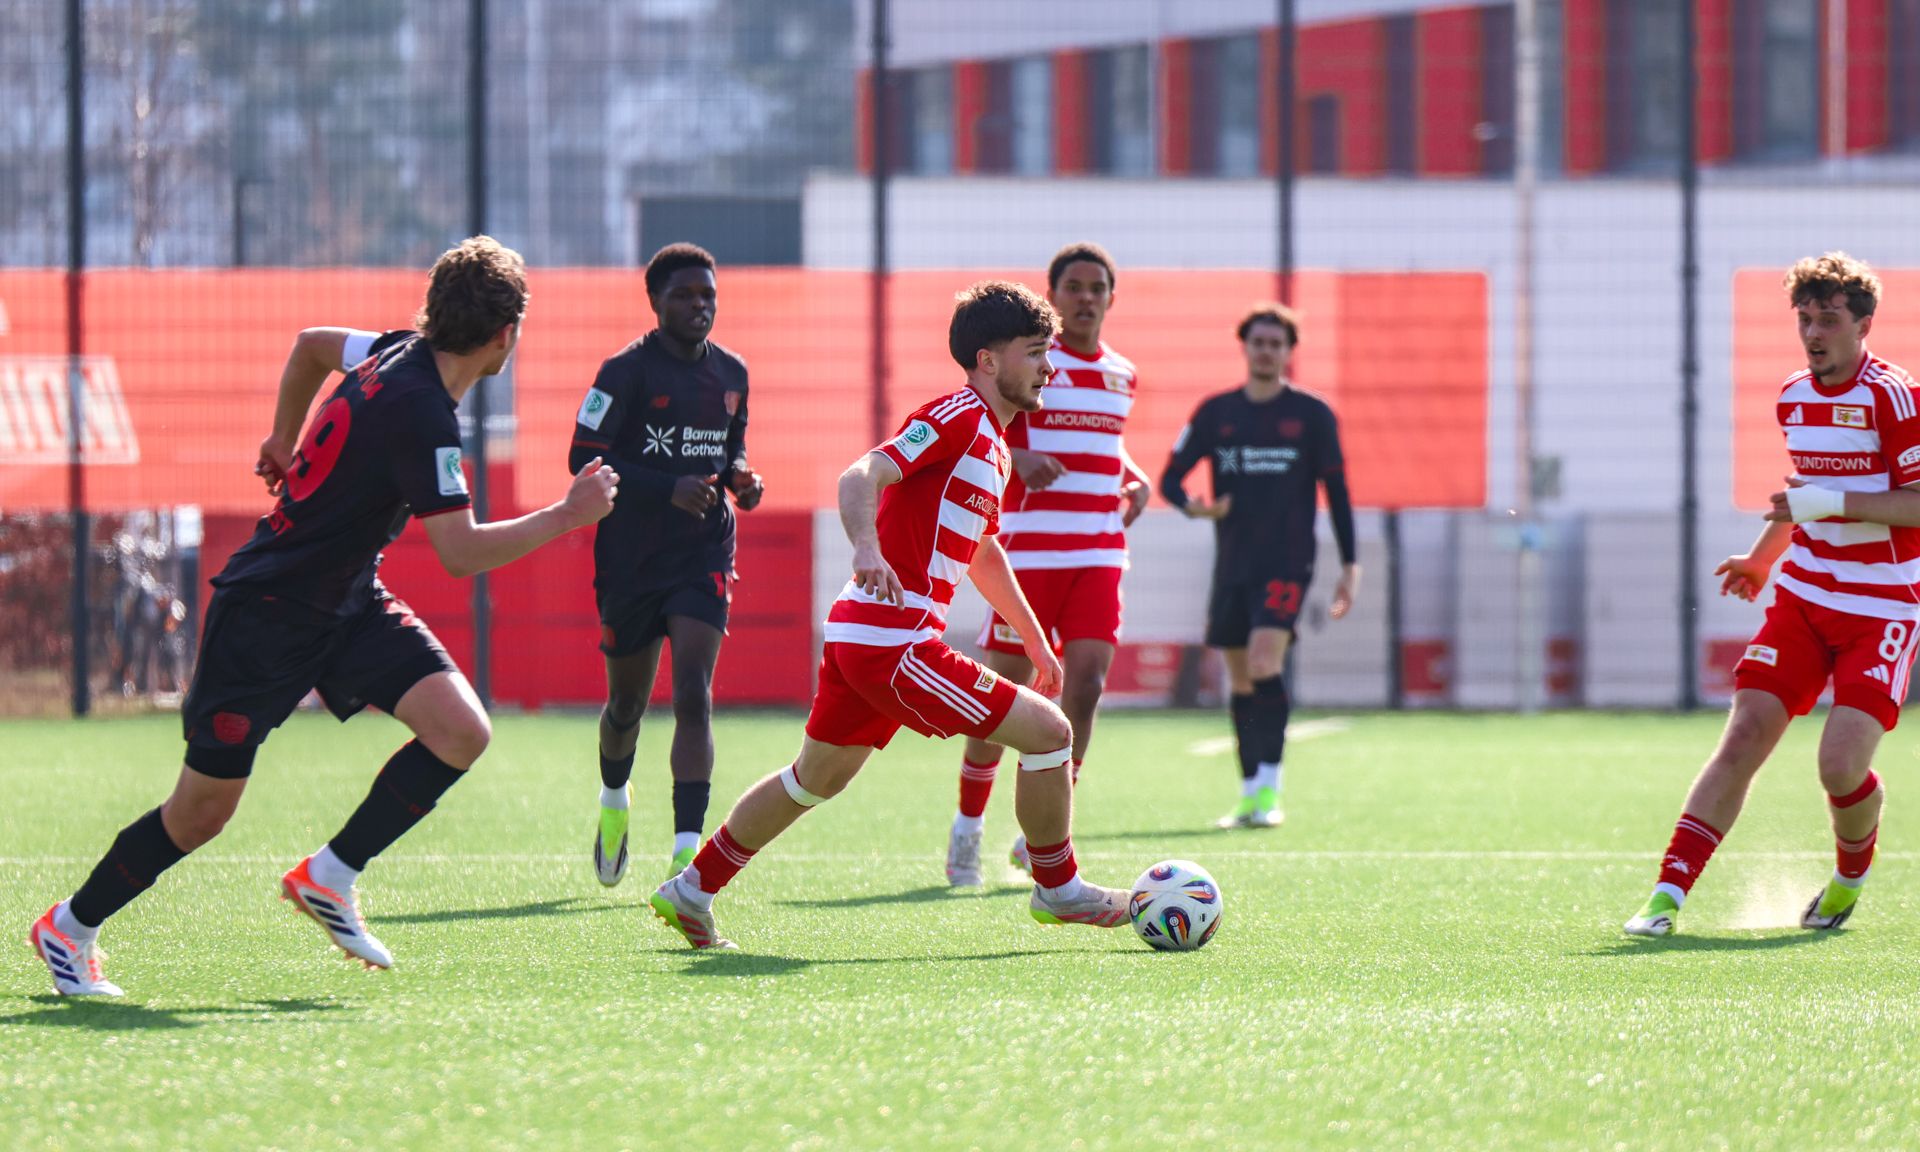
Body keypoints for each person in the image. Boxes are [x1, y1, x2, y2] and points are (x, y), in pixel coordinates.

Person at [28, 237, 619, 995]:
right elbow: (461, 553)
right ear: (507, 335)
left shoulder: (397, 348)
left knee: (461, 729)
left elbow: (311, 347)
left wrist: (281, 435)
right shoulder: (425, 413)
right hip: (267, 615)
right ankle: (69, 929)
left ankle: (331, 875)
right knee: (201, 812)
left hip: (345, 601)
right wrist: (570, 514)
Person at [648, 281, 1131, 949]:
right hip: (893, 641)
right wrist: (867, 546)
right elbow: (861, 473)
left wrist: (1033, 641)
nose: (1049, 368)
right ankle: (1060, 888)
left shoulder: (990, 441)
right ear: (989, 360)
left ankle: (692, 889)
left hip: (863, 636)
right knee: (1050, 733)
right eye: (1035, 353)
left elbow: (982, 551)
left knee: (812, 779)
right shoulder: (960, 416)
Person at [1626, 252, 1919, 938]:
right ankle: (1665, 897)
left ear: (1865, 325)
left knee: (1840, 767)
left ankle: (1849, 878)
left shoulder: (1895, 397)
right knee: (1745, 735)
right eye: (1805, 319)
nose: (1814, 333)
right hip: (1805, 598)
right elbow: (1802, 497)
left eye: (1829, 320)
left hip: (1881, 610)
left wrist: (1833, 501)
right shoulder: (1793, 395)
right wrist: (1762, 560)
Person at [947, 242, 1151, 886]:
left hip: (1097, 551)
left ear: (1111, 298)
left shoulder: (1123, 373)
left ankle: (1045, 833)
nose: (1086, 297)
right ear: (1054, 295)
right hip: (1028, 557)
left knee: (1085, 685)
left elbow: (1105, 443)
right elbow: (994, 427)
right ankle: (967, 828)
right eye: (1074, 286)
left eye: (1097, 287)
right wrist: (1023, 461)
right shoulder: (1034, 363)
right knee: (997, 696)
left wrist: (1136, 478)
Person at [569, 243, 763, 886]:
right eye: (684, 295)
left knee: (693, 697)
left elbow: (730, 450)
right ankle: (615, 801)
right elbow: (583, 457)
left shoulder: (732, 373)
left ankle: (686, 855)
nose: (698, 306)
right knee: (626, 704)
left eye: (707, 295)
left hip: (703, 551)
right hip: (630, 558)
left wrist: (741, 478)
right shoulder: (624, 372)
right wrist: (665, 486)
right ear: (655, 302)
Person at [1160, 304, 1359, 829]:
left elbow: (1336, 491)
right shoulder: (1215, 413)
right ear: (1245, 347)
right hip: (1233, 566)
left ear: (1290, 352)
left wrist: (1350, 563)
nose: (1267, 350)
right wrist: (1196, 506)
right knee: (1241, 678)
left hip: (1288, 562)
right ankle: (1248, 792)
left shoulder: (1312, 416)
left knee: (1266, 662)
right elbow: (1170, 479)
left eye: (1277, 343)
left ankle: (1270, 789)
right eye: (1259, 342)